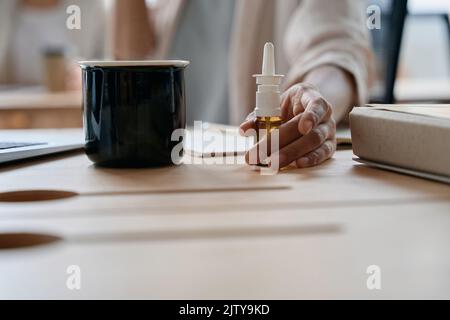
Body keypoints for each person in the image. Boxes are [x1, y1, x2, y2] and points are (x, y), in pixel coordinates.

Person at [114, 0, 373, 169]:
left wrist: (313, 100)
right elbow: (131, 59)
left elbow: (337, 52)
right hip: (172, 168)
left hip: (256, 172)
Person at [0, 0, 108, 89]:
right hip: (11, 109)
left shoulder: (91, 6)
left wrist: (88, 77)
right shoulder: (4, 8)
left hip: (69, 108)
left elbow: (107, 63)